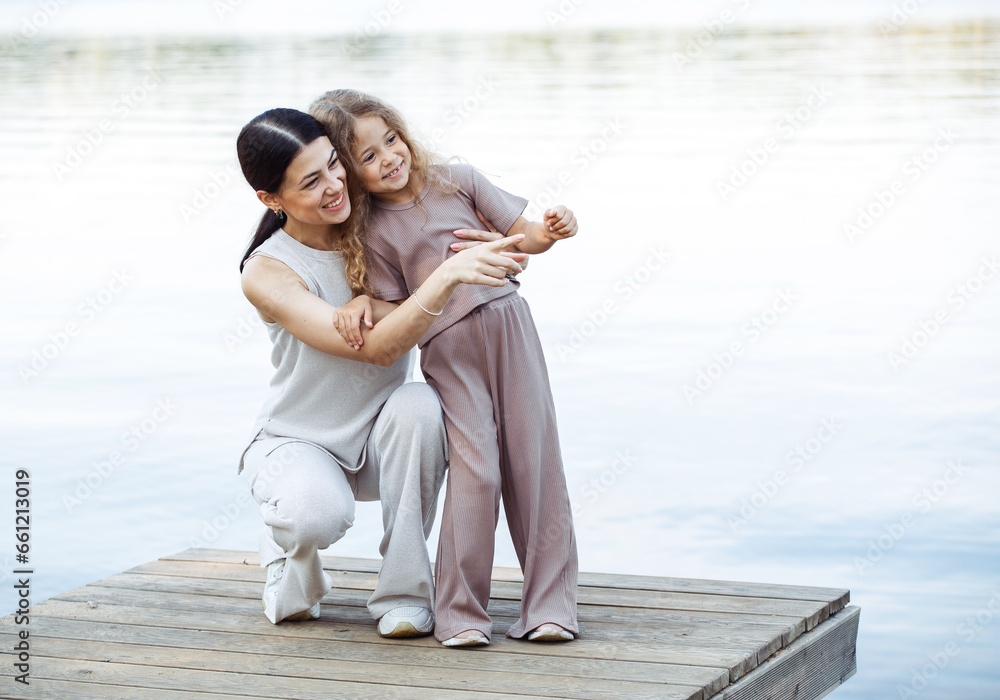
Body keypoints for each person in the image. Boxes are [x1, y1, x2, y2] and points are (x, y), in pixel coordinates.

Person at [235, 107, 527, 637]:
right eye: (311, 181)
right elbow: (377, 350)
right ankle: (287, 552)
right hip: (302, 441)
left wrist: (493, 250)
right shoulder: (267, 271)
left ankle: (404, 594)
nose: (334, 186)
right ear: (270, 199)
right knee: (314, 516)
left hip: (382, 439)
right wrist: (446, 276)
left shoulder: (370, 227)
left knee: (421, 405)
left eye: (333, 165)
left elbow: (462, 248)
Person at [309, 90, 580, 647]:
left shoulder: (458, 180)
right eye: (367, 156)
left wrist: (550, 231)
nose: (388, 157)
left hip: (509, 327)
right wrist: (362, 303)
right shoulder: (370, 228)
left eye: (391, 139)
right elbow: (397, 307)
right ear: (350, 173)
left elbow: (523, 235)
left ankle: (550, 607)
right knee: (475, 472)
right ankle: (461, 613)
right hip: (449, 350)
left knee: (533, 461)